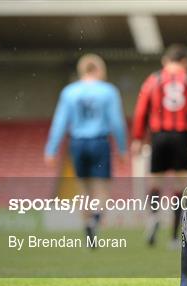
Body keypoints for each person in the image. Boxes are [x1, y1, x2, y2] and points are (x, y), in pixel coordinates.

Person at [44, 54, 128, 248]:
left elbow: (60, 122)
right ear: (99, 70)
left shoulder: (69, 92)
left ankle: (87, 226)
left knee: (83, 189)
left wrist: (51, 149)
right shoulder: (108, 91)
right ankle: (96, 220)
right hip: (99, 142)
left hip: (78, 142)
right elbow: (116, 121)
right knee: (101, 188)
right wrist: (122, 148)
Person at [131, 44, 187, 248]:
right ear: (185, 62)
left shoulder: (153, 80)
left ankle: (153, 217)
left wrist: (138, 138)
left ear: (166, 61)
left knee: (155, 182)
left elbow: (141, 110)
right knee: (180, 186)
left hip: (159, 135)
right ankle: (175, 236)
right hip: (182, 136)